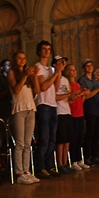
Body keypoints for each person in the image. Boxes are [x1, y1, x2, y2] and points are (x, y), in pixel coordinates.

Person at [7, 51, 40, 184]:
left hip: (30, 108)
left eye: (24, 58)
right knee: (20, 143)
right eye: (19, 58)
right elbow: (16, 90)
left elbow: (37, 91)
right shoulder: (11, 73)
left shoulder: (29, 74)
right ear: (15, 60)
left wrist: (35, 76)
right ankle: (19, 173)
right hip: (19, 109)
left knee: (28, 143)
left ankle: (27, 171)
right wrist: (25, 76)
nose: (22, 60)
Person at [34, 40, 66, 179]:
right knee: (44, 138)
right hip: (43, 104)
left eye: (49, 48)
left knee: (52, 138)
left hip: (53, 104)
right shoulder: (38, 67)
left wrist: (58, 72)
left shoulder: (50, 69)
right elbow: (43, 87)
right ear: (39, 51)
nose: (47, 51)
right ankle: (40, 167)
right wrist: (56, 72)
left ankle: (49, 165)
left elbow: (56, 86)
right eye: (44, 49)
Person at [54, 57, 79, 175]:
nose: (63, 65)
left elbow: (68, 98)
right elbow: (55, 96)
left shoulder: (65, 80)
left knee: (68, 140)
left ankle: (65, 163)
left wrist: (74, 96)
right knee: (61, 140)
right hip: (59, 112)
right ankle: (60, 164)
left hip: (67, 111)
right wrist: (69, 94)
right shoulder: (55, 78)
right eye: (60, 63)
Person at [78, 59, 99, 166]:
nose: (89, 67)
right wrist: (98, 89)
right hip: (89, 108)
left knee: (97, 134)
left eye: (91, 66)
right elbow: (86, 95)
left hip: (98, 108)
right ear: (84, 68)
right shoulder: (82, 80)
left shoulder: (96, 79)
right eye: (87, 66)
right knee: (89, 133)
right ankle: (87, 157)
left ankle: (95, 156)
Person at [65, 64, 90, 170]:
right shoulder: (68, 84)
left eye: (75, 69)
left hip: (80, 113)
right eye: (71, 70)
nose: (74, 72)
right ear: (67, 72)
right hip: (72, 113)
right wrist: (79, 95)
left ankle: (80, 159)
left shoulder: (77, 84)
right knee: (74, 138)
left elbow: (81, 100)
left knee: (80, 138)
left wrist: (83, 94)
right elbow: (69, 99)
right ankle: (73, 160)